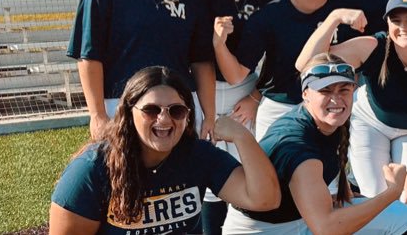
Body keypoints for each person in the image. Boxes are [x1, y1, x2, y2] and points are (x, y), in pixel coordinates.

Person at [297, 0, 407, 234]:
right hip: (371, 123)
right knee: (377, 202)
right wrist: (334, 18)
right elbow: (306, 64)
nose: (403, 27)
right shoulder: (375, 46)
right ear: (387, 23)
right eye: (396, 20)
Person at [50, 66, 279, 235]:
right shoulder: (91, 170)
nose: (164, 119)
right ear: (130, 112)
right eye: (151, 110)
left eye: (176, 110)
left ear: (188, 115)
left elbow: (265, 200)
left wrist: (242, 136)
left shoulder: (198, 155)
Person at [222, 54, 407, 234]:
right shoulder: (297, 142)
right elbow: (326, 228)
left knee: (399, 215)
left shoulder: (327, 121)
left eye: (344, 90)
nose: (336, 99)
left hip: (297, 219)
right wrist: (392, 192)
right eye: (325, 90)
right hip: (260, 229)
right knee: (392, 211)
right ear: (305, 94)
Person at [172, 0, 281, 235]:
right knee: (201, 175)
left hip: (242, 94)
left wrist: (255, 97)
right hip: (196, 90)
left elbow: (279, 58)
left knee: (243, 173)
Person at [68, 0, 217, 140]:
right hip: (120, 106)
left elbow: (201, 62)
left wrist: (209, 115)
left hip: (176, 110)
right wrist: (97, 115)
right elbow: (89, 56)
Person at [212, 0, 353, 138]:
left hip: (332, 108)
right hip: (280, 108)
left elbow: (357, 69)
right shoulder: (271, 14)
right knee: (271, 170)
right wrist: (218, 45)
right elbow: (236, 75)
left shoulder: (345, 15)